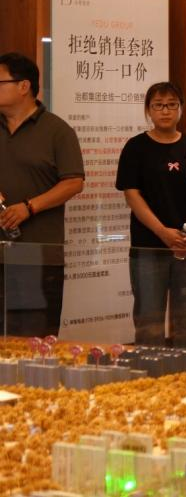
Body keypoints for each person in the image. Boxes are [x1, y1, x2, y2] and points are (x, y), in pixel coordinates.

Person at [115, 82, 186, 347]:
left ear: (181, 109)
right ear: (148, 110)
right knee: (149, 322)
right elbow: (132, 195)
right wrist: (163, 232)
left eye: (171, 105)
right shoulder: (135, 147)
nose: (165, 111)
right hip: (149, 247)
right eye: (158, 105)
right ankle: (148, 370)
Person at [0, 52, 84, 336]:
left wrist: (29, 207)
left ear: (23, 86)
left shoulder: (57, 130)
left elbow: (74, 183)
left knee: (35, 338)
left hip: (39, 255)